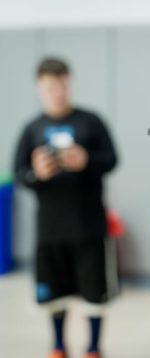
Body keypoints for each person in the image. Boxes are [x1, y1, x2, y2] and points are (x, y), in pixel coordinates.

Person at [13, 57, 118, 358]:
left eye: (61, 85)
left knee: (94, 293)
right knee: (54, 294)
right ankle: (58, 345)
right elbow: (20, 174)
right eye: (50, 86)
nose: (57, 92)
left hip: (88, 226)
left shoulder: (91, 122)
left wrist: (86, 161)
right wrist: (38, 174)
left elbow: (112, 160)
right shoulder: (31, 129)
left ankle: (94, 348)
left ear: (68, 83)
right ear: (39, 88)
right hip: (50, 229)